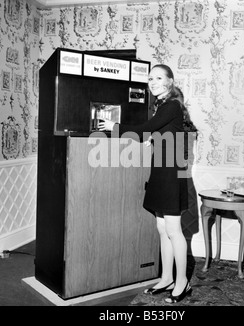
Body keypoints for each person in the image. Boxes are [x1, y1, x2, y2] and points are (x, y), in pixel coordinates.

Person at [98, 64, 198, 303]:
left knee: (175, 232)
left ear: (170, 82)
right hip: (161, 173)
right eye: (150, 78)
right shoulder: (163, 106)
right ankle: (166, 278)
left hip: (171, 176)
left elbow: (144, 129)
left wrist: (115, 127)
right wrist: (155, 138)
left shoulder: (172, 105)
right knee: (162, 230)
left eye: (159, 78)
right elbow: (164, 132)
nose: (152, 82)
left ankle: (182, 282)